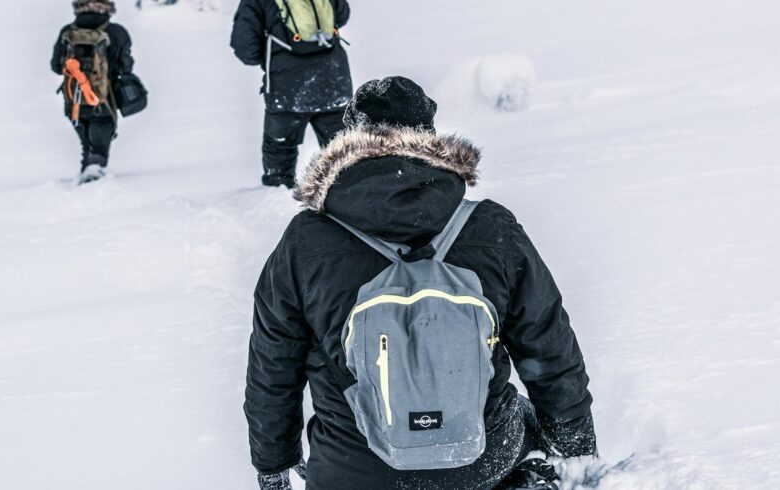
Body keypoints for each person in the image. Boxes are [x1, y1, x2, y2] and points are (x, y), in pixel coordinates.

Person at [245, 77, 597, 490]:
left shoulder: (305, 241)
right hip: (482, 458)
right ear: (430, 139)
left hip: (353, 469)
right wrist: (575, 446)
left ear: (348, 141)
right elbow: (548, 347)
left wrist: (274, 462)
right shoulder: (490, 225)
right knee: (523, 417)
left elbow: (273, 365)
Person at [230, 0, 353, 189]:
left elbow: (245, 47)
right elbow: (342, 14)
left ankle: (279, 200)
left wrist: (275, 55)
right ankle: (353, 200)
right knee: (345, 153)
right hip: (333, 81)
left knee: (279, 154)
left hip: (286, 89)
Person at [50, 0, 134, 184]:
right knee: (99, 146)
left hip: (73, 100)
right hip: (104, 99)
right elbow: (126, 66)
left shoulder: (67, 32)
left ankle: (86, 174)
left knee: (86, 144)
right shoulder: (116, 32)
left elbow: (56, 66)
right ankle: (94, 176)